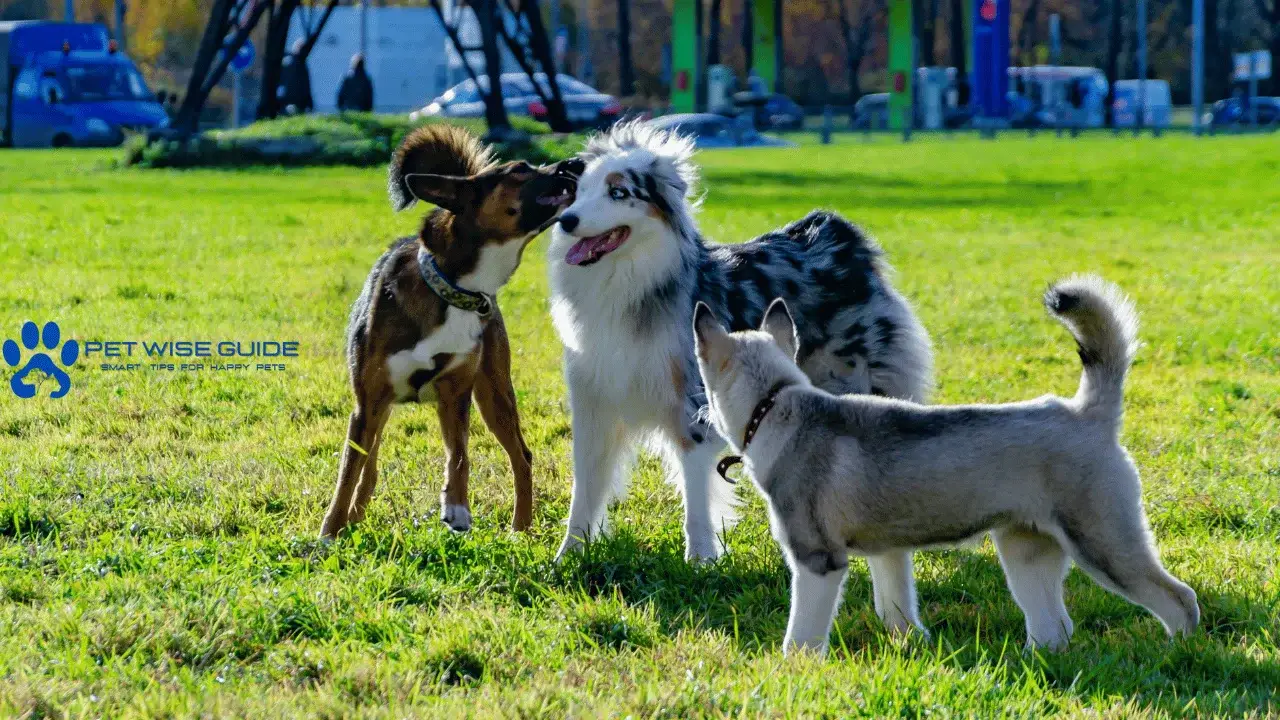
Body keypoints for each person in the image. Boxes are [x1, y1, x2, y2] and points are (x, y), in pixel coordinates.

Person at [278, 39, 314, 114]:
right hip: (288, 101)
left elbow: (305, 85)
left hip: (293, 102)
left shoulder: (300, 64)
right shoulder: (291, 62)